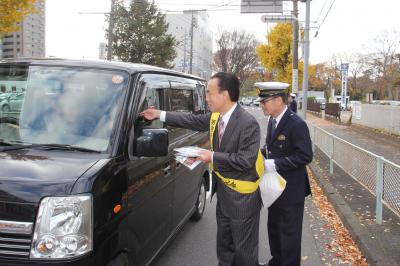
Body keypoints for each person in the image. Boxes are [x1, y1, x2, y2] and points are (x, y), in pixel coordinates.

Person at [141, 72, 264, 266]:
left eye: (209, 93)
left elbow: (245, 160)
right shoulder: (216, 117)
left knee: (245, 254)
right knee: (224, 249)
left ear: (224, 95)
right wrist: (159, 114)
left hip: (243, 200)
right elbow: (189, 120)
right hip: (223, 194)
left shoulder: (248, 123)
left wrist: (211, 156)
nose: (206, 98)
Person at [256, 82, 313, 266]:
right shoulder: (273, 120)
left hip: (291, 189)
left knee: (289, 234)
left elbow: (305, 155)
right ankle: (277, 261)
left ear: (279, 100)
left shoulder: (296, 124)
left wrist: (275, 164)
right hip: (275, 188)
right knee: (274, 228)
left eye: (265, 101)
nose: (262, 105)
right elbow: (271, 148)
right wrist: (258, 155)